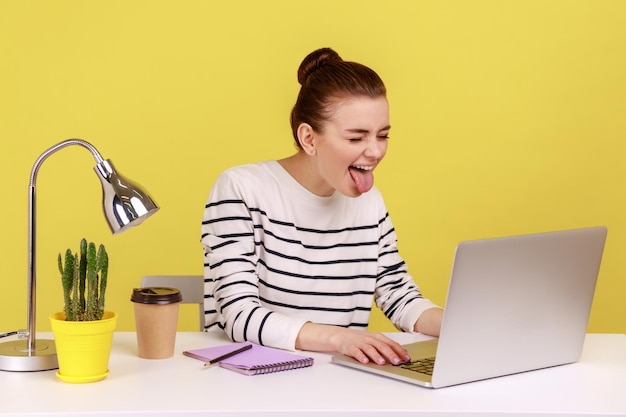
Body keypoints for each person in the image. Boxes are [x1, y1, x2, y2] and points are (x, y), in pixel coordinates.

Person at [201, 47, 443, 366]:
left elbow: (400, 296)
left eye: (382, 135)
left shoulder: (370, 202)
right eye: (356, 138)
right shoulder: (242, 188)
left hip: (336, 381)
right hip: (249, 380)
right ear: (309, 139)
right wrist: (340, 338)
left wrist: (466, 325)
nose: (374, 151)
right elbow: (238, 316)